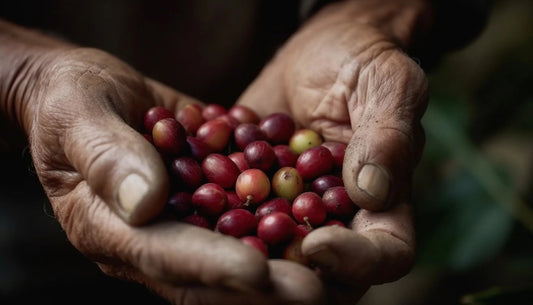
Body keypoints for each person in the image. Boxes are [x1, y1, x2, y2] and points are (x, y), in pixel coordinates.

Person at [0, 0, 489, 304]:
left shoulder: (260, 173)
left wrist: (365, 12)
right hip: (21, 238)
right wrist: (23, 78)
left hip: (291, 79)